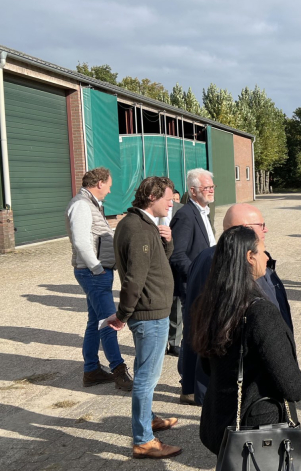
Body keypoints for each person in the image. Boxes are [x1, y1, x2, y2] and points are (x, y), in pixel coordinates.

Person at [194, 226, 301, 455]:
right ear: (250, 256)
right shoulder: (260, 313)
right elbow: (294, 387)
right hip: (258, 435)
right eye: (263, 251)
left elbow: (207, 367)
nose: (267, 258)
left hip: (221, 420)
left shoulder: (208, 303)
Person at [183, 204, 293, 406]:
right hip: (241, 387)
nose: (266, 229)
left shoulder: (255, 259)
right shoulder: (215, 262)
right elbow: (205, 326)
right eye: (261, 225)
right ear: (244, 229)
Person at [106, 176, 181, 460]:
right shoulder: (137, 229)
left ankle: (148, 420)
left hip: (152, 313)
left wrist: (167, 242)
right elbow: (134, 280)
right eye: (168, 199)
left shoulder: (143, 224)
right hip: (149, 316)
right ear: (152, 196)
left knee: (144, 373)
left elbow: (156, 264)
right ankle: (144, 441)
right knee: (146, 379)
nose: (171, 203)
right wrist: (122, 314)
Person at [65, 167, 133, 391]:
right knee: (108, 322)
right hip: (93, 273)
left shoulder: (90, 204)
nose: (110, 190)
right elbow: (81, 241)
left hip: (97, 272)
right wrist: (96, 269)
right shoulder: (81, 205)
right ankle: (119, 371)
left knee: (95, 321)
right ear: (100, 183)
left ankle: (91, 370)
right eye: (109, 185)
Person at [169, 169, 217, 362]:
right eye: (207, 187)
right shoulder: (186, 215)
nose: (211, 190)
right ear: (193, 191)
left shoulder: (204, 212)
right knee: (194, 336)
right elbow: (177, 254)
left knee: (204, 334)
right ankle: (188, 375)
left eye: (212, 186)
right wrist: (197, 275)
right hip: (194, 285)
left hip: (208, 281)